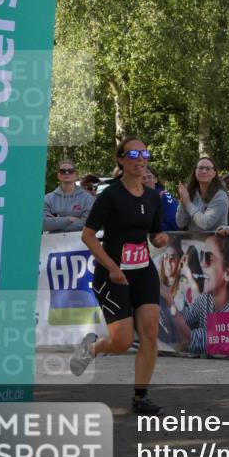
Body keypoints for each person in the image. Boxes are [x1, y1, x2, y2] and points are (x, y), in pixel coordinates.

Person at [71, 137, 169, 415]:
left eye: (145, 154)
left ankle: (141, 397)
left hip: (143, 272)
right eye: (134, 154)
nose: (141, 159)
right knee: (122, 341)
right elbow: (88, 236)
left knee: (149, 332)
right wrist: (112, 267)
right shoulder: (110, 196)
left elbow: (155, 233)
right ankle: (91, 349)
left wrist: (160, 239)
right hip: (111, 275)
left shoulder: (152, 196)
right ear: (121, 160)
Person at [162, 234, 229, 356]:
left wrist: (170, 302)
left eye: (208, 258)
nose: (202, 263)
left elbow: (193, 340)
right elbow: (179, 322)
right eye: (201, 256)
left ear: (227, 273)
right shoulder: (205, 299)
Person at [176, 157, 228, 233]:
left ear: (214, 173)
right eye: (200, 168)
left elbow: (206, 224)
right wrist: (183, 202)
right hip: (192, 242)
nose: (204, 171)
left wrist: (188, 203)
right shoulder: (191, 193)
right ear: (195, 172)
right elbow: (180, 223)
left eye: (208, 168)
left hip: (215, 243)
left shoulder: (220, 196)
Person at [43, 159, 93, 232]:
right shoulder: (48, 198)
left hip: (80, 242)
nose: (66, 173)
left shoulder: (88, 198)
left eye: (70, 171)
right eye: (63, 171)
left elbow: (87, 224)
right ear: (58, 175)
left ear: (76, 175)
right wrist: (69, 219)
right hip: (54, 241)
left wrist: (56, 223)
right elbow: (43, 224)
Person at [142, 166, 179, 231]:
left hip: (167, 237)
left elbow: (173, 221)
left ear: (155, 179)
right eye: (143, 178)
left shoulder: (163, 195)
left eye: (149, 177)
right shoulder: (137, 197)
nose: (146, 181)